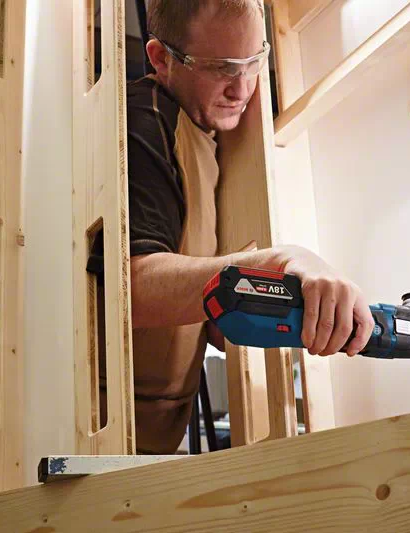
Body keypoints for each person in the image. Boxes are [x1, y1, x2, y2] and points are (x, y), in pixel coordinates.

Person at [88, 0, 374, 454]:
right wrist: (279, 262)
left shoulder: (205, 135)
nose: (242, 88)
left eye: (254, 62)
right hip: (98, 432)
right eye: (221, 67)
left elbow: (207, 320)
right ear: (161, 58)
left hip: (149, 439)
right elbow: (131, 291)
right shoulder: (145, 122)